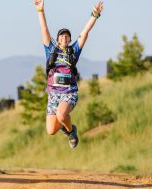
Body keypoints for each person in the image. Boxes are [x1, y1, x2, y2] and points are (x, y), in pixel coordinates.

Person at [34, 0, 104, 148]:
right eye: (61, 36)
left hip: (69, 92)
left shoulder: (74, 51)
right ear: (58, 39)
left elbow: (85, 32)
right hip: (53, 94)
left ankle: (71, 133)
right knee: (51, 130)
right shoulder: (51, 49)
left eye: (67, 36)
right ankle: (70, 128)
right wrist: (40, 11)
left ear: (70, 39)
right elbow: (44, 29)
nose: (64, 38)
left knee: (61, 115)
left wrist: (95, 15)